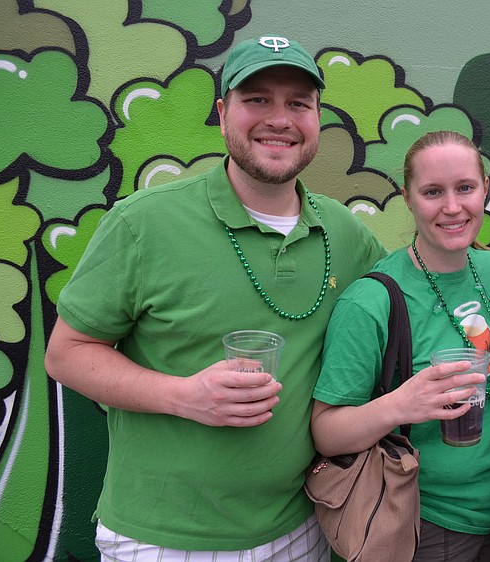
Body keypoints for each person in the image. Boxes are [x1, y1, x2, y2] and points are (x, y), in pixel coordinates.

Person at [44, 35, 388, 561]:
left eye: (298, 103)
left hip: (302, 529)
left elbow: (412, 285)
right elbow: (66, 354)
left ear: (318, 119)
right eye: (257, 99)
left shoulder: (344, 233)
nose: (280, 118)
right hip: (161, 540)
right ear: (224, 112)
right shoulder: (143, 223)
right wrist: (185, 395)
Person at [311, 131, 490, 561]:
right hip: (423, 526)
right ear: (408, 198)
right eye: (433, 192)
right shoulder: (371, 302)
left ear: (485, 190)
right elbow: (326, 433)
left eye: (465, 188)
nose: (452, 207)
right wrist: (401, 405)